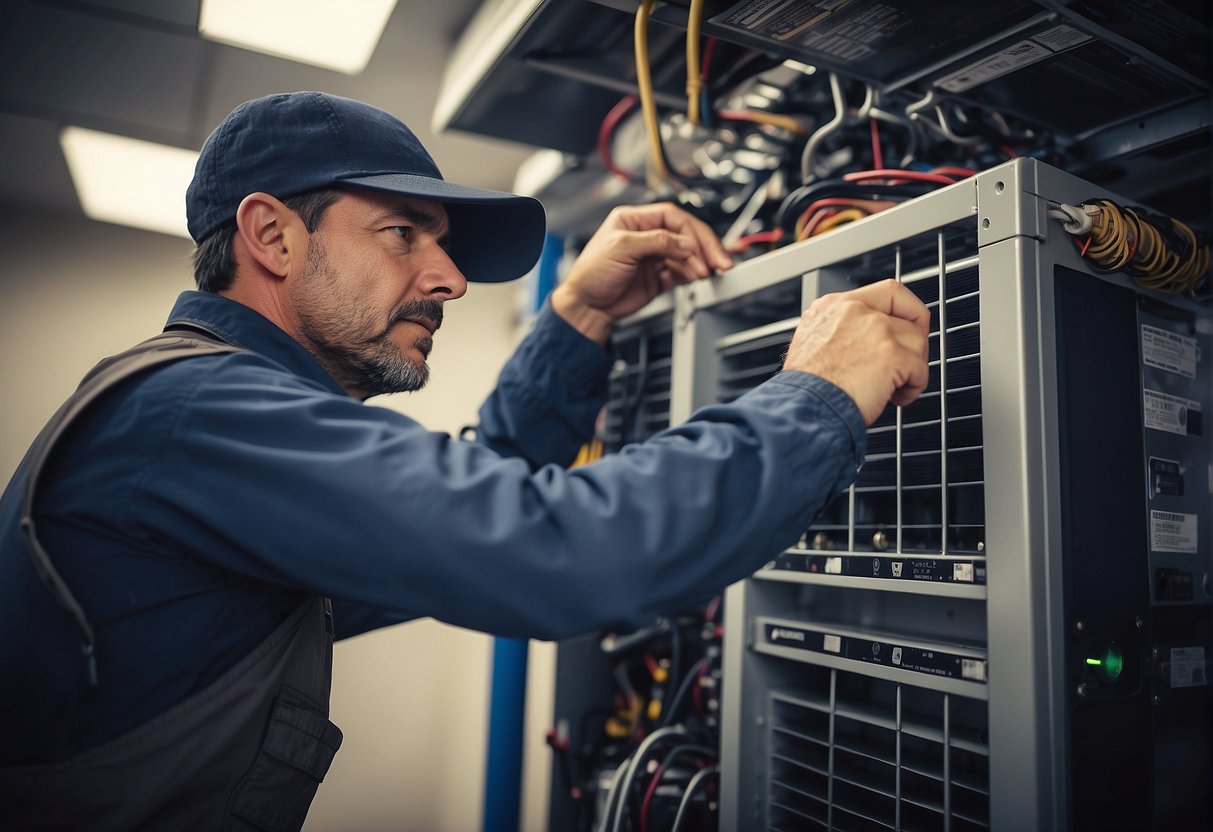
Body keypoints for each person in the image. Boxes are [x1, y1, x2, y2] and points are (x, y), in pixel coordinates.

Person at [0, 91, 929, 828]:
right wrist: (820, 392)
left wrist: (578, 318)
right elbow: (550, 549)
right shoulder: (198, 410)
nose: (446, 278)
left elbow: (479, 489)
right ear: (273, 236)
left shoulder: (201, 425)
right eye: (404, 232)